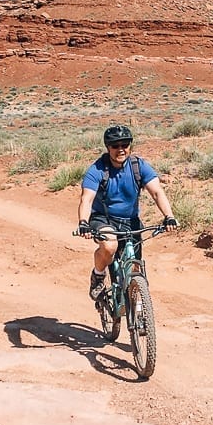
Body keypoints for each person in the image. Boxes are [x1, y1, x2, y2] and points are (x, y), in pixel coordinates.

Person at [76, 125, 178, 300]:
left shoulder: (139, 166)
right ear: (108, 147)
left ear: (130, 145)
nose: (120, 149)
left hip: (130, 220)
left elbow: (157, 192)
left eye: (125, 144)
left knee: (135, 267)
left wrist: (169, 217)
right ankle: (98, 275)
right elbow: (87, 199)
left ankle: (139, 316)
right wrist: (83, 222)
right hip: (103, 219)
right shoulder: (97, 170)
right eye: (115, 145)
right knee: (109, 246)